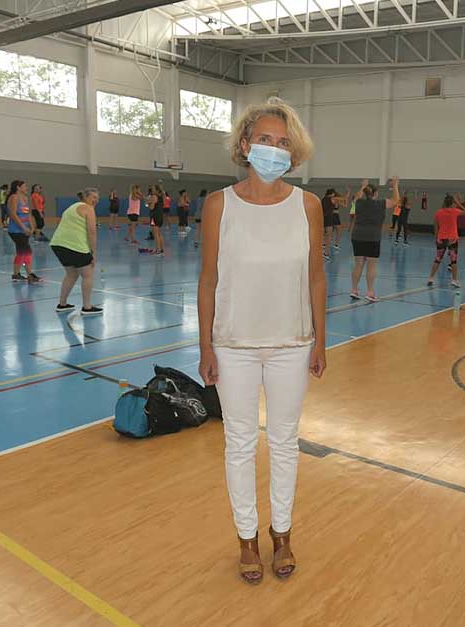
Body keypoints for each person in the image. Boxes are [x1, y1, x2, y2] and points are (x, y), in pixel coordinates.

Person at [197, 98, 326, 585]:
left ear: (293, 152)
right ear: (245, 145)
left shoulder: (307, 206)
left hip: (293, 343)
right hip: (233, 345)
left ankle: (283, 533)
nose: (273, 149)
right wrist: (207, 346)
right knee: (239, 443)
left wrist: (319, 339)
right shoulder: (218, 204)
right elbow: (208, 280)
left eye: (282, 142)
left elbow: (316, 277)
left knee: (285, 442)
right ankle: (247, 539)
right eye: (265, 140)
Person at [51, 188, 102, 316]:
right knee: (87, 274)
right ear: (85, 197)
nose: (96, 200)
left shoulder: (72, 207)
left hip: (58, 245)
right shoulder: (88, 208)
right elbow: (92, 232)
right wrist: (93, 253)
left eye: (97, 198)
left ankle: (62, 304)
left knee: (71, 274)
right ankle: (87, 307)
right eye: (93, 197)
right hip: (75, 246)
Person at [350, 177, 399, 302]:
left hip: (357, 236)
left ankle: (354, 290)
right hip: (373, 237)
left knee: (358, 263)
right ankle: (370, 292)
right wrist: (395, 185)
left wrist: (362, 186)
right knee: (371, 265)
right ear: (376, 194)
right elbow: (396, 200)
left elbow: (357, 197)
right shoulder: (380, 203)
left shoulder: (359, 202)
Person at [6, 180, 41, 283]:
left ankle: (16, 274)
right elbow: (13, 214)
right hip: (16, 230)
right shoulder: (14, 198)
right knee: (27, 251)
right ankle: (30, 274)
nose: (26, 188)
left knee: (21, 252)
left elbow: (28, 214)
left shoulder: (25, 199)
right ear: (18, 187)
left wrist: (32, 227)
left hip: (25, 230)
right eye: (24, 186)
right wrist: (23, 227)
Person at [426, 194, 462, 289]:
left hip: (441, 238)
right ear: (453, 203)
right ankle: (454, 280)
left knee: (438, 258)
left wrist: (436, 237)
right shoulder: (455, 211)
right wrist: (459, 203)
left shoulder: (439, 212)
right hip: (452, 239)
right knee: (453, 260)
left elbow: (435, 225)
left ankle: (430, 278)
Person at [147, 184, 167, 256]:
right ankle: (161, 250)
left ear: (156, 190)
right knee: (159, 233)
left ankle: (158, 250)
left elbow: (151, 207)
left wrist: (148, 204)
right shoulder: (162, 196)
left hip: (154, 216)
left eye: (153, 188)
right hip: (160, 216)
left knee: (155, 234)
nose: (152, 189)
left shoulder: (154, 196)